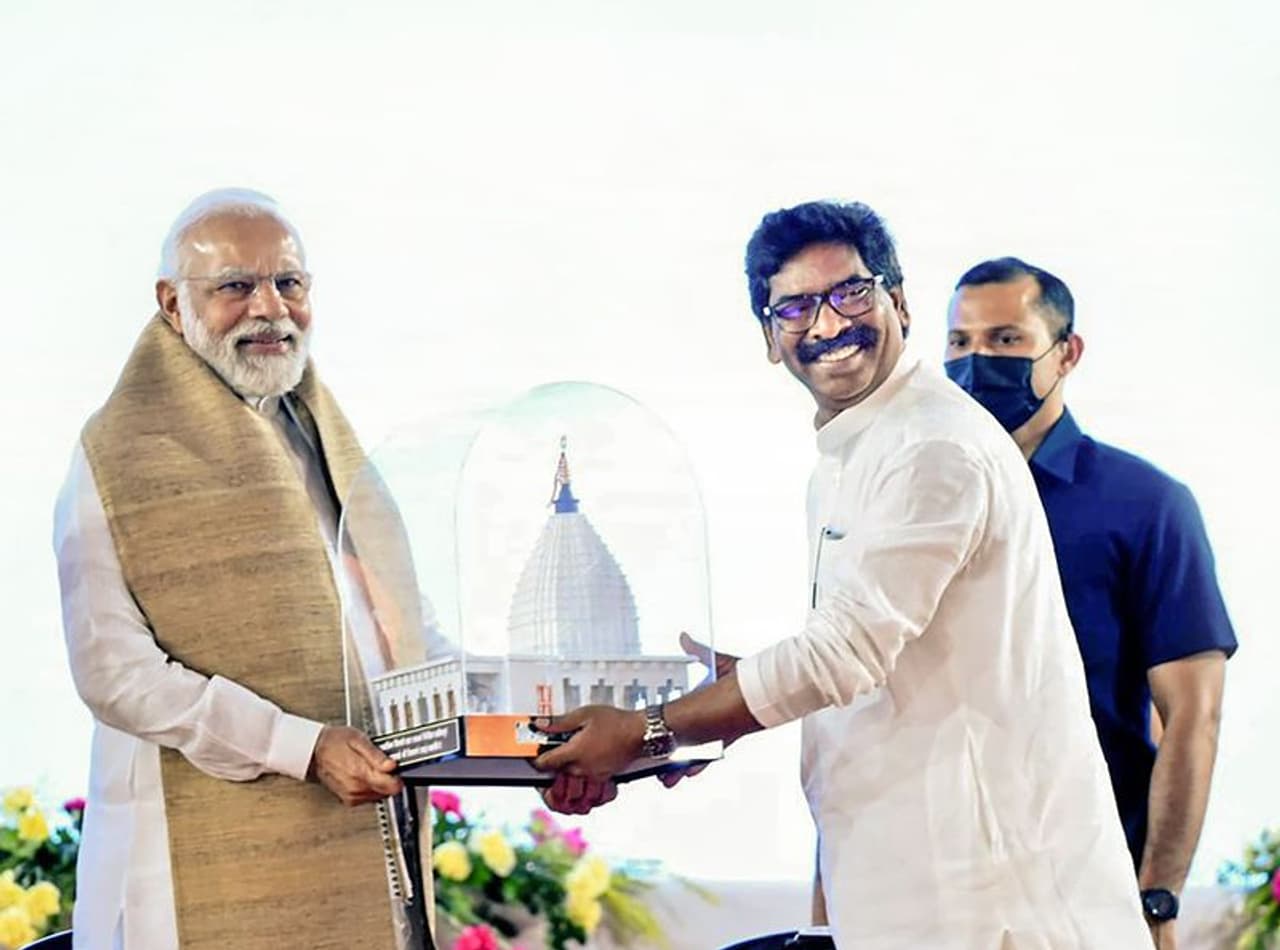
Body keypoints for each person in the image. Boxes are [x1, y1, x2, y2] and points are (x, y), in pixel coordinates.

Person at [531, 200, 1151, 948]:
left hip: (991, 893)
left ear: (900, 302)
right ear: (770, 338)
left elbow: (843, 652)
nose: (827, 324)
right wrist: (712, 711)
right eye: (795, 307)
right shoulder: (853, 453)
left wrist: (650, 729)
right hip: (907, 885)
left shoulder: (933, 447)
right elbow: (868, 664)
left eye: (851, 293)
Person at [54, 189, 430, 950]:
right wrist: (300, 746)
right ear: (172, 304)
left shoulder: (320, 436)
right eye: (235, 285)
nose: (270, 308)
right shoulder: (118, 458)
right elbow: (115, 672)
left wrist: (518, 722)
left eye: (289, 282)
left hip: (360, 847)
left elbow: (389, 626)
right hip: (187, 863)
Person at [944, 257, 1237, 948]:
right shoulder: (921, 501)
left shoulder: (1147, 504)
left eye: (1006, 339)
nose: (978, 361)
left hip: (1085, 888)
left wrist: (1157, 899)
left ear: (1066, 352)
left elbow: (1193, 717)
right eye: (960, 342)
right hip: (936, 882)